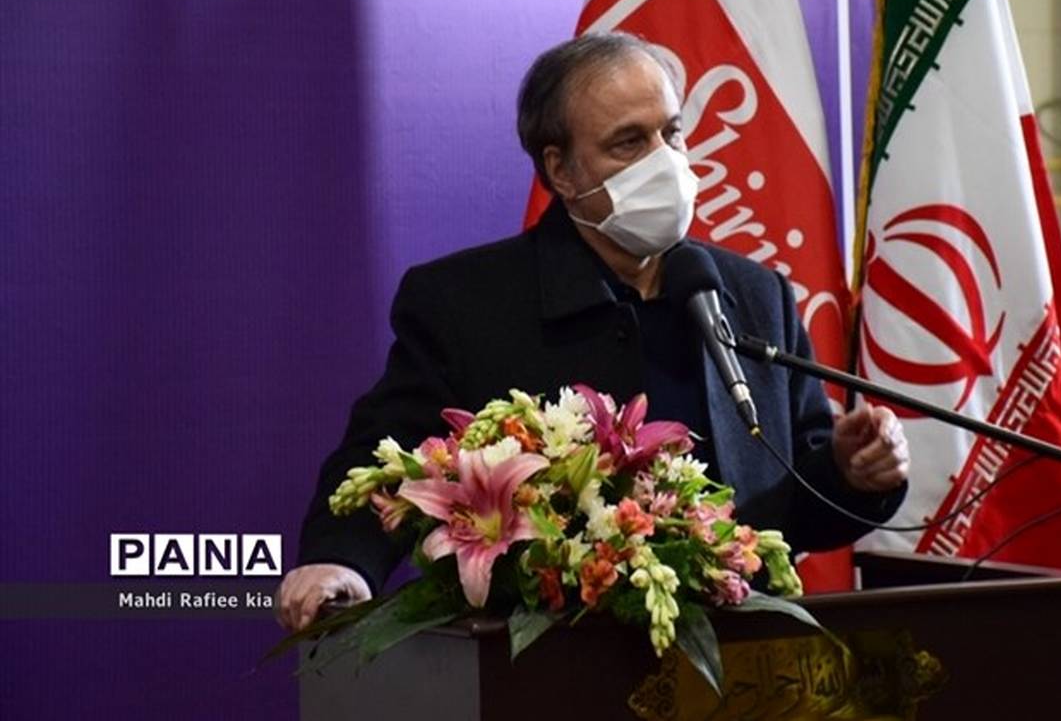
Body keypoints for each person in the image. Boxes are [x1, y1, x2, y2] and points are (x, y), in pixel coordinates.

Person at [277, 32, 910, 632]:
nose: (665, 161)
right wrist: (343, 561)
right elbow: (382, 461)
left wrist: (851, 473)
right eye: (629, 143)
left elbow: (793, 506)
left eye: (672, 132)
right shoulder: (464, 304)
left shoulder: (752, 295)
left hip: (742, 659)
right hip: (557, 664)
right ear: (562, 171)